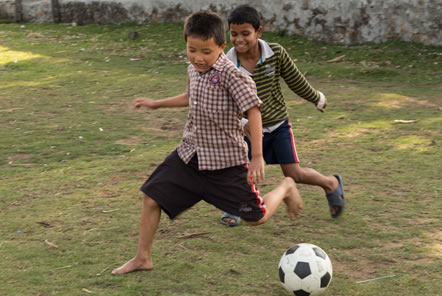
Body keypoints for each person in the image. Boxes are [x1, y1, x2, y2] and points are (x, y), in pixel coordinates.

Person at [112, 11, 303, 275]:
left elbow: (254, 111)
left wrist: (257, 156)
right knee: (151, 196)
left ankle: (286, 187)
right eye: (192, 50)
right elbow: (190, 96)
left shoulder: (233, 76)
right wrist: (157, 104)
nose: (198, 58)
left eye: (206, 51)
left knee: (255, 218)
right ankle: (143, 258)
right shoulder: (193, 69)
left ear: (222, 47)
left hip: (226, 163)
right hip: (190, 156)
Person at [219, 5, 345, 227]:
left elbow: (295, 80)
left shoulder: (275, 53)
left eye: (245, 33)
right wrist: (241, 122)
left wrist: (316, 98)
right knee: (242, 170)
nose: (239, 39)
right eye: (234, 33)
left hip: (277, 125)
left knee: (294, 173)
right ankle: (236, 206)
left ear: (258, 32)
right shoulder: (228, 62)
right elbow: (224, 99)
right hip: (247, 128)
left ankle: (331, 183)